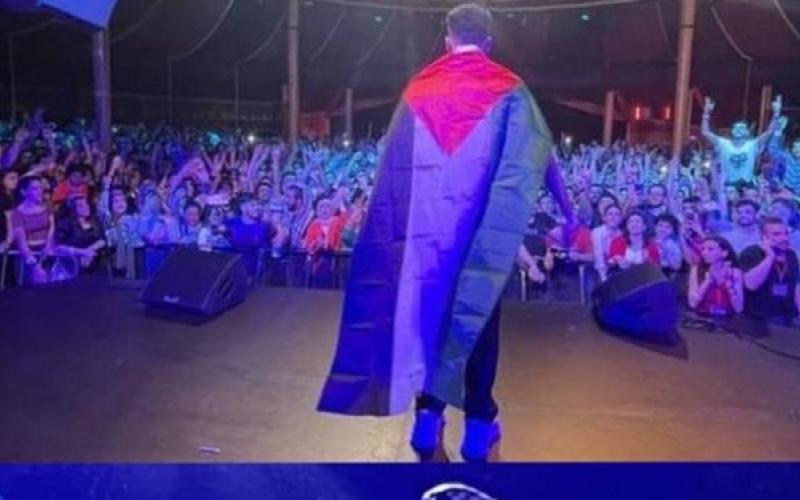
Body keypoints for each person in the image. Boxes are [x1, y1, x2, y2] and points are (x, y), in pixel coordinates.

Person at [317, 3, 569, 462]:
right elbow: (540, 153)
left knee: (429, 322)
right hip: (481, 240)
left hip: (426, 242)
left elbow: (393, 171)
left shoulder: (419, 87)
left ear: (449, 39)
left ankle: (427, 419)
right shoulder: (509, 88)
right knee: (478, 325)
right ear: (488, 41)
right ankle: (478, 425)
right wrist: (570, 212)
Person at [701, 95, 782, 185]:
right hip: (728, 186)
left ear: (747, 132)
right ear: (732, 131)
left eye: (742, 128)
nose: (738, 130)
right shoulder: (723, 144)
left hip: (747, 187)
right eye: (736, 128)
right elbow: (705, 132)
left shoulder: (752, 145)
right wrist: (706, 113)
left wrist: (776, 114)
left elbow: (769, 132)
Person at [740, 217, 800, 324]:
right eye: (777, 234)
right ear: (764, 237)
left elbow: (796, 287)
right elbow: (750, 285)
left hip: (787, 317)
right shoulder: (751, 253)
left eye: (786, 233)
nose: (784, 238)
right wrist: (770, 257)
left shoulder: (791, 255)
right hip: (760, 318)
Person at [688, 236, 744, 316]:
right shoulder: (696, 269)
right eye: (703, 249)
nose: (704, 253)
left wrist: (730, 287)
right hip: (702, 317)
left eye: (710, 249)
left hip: (728, 318)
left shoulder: (734, 272)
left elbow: (739, 308)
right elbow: (692, 303)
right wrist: (708, 280)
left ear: (724, 253)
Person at [767, 116, 800, 194]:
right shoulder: (788, 157)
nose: (797, 150)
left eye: (799, 147)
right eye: (795, 147)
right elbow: (773, 150)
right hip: (785, 194)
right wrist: (778, 132)